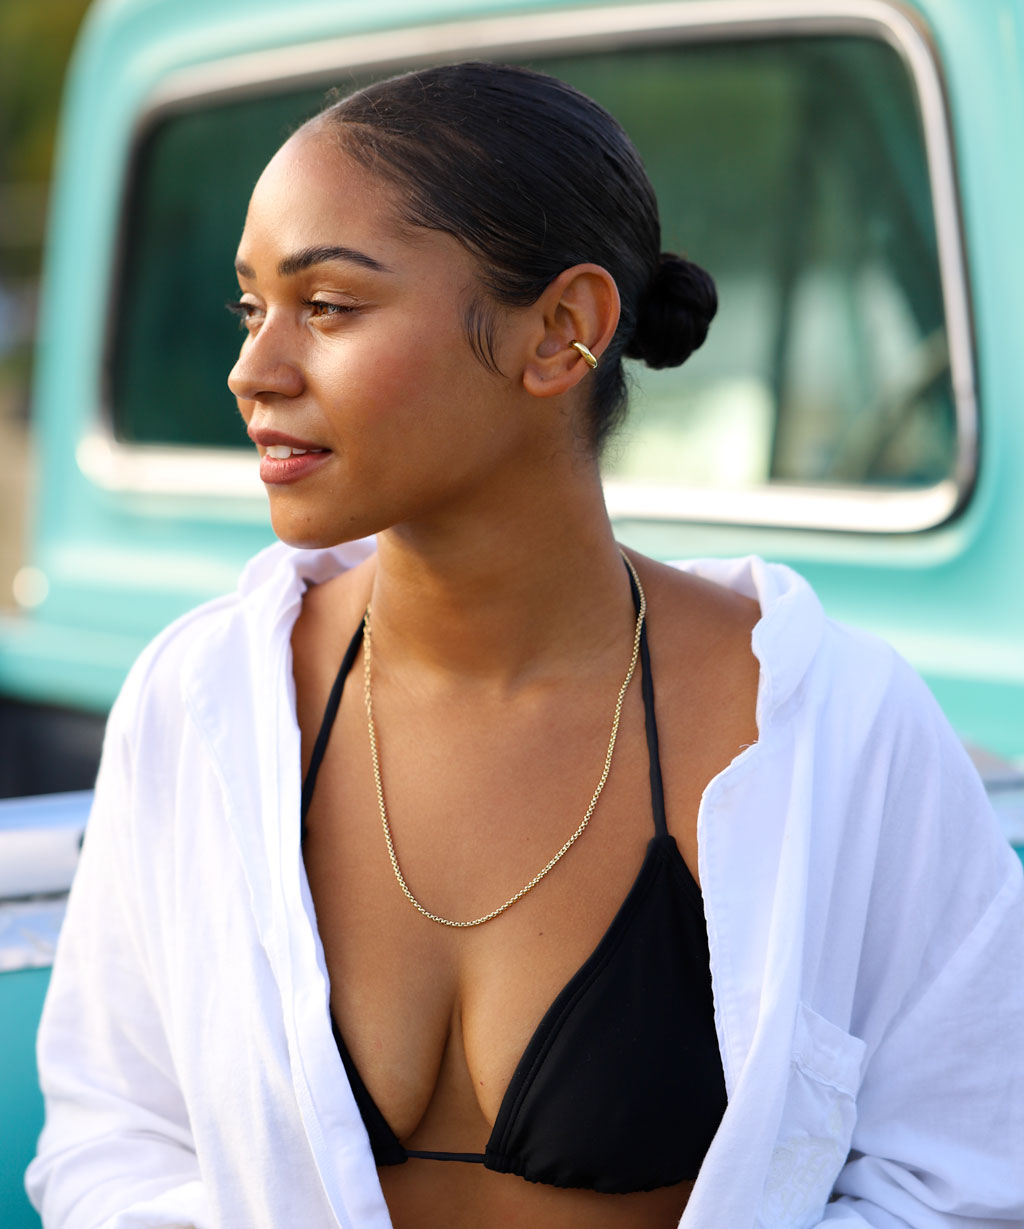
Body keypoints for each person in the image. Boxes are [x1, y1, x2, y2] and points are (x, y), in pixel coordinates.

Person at [27, 62, 1024, 1229]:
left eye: (330, 306)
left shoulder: (830, 725)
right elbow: (117, 1138)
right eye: (253, 307)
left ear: (562, 332)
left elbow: (963, 1175)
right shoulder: (200, 703)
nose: (254, 369)